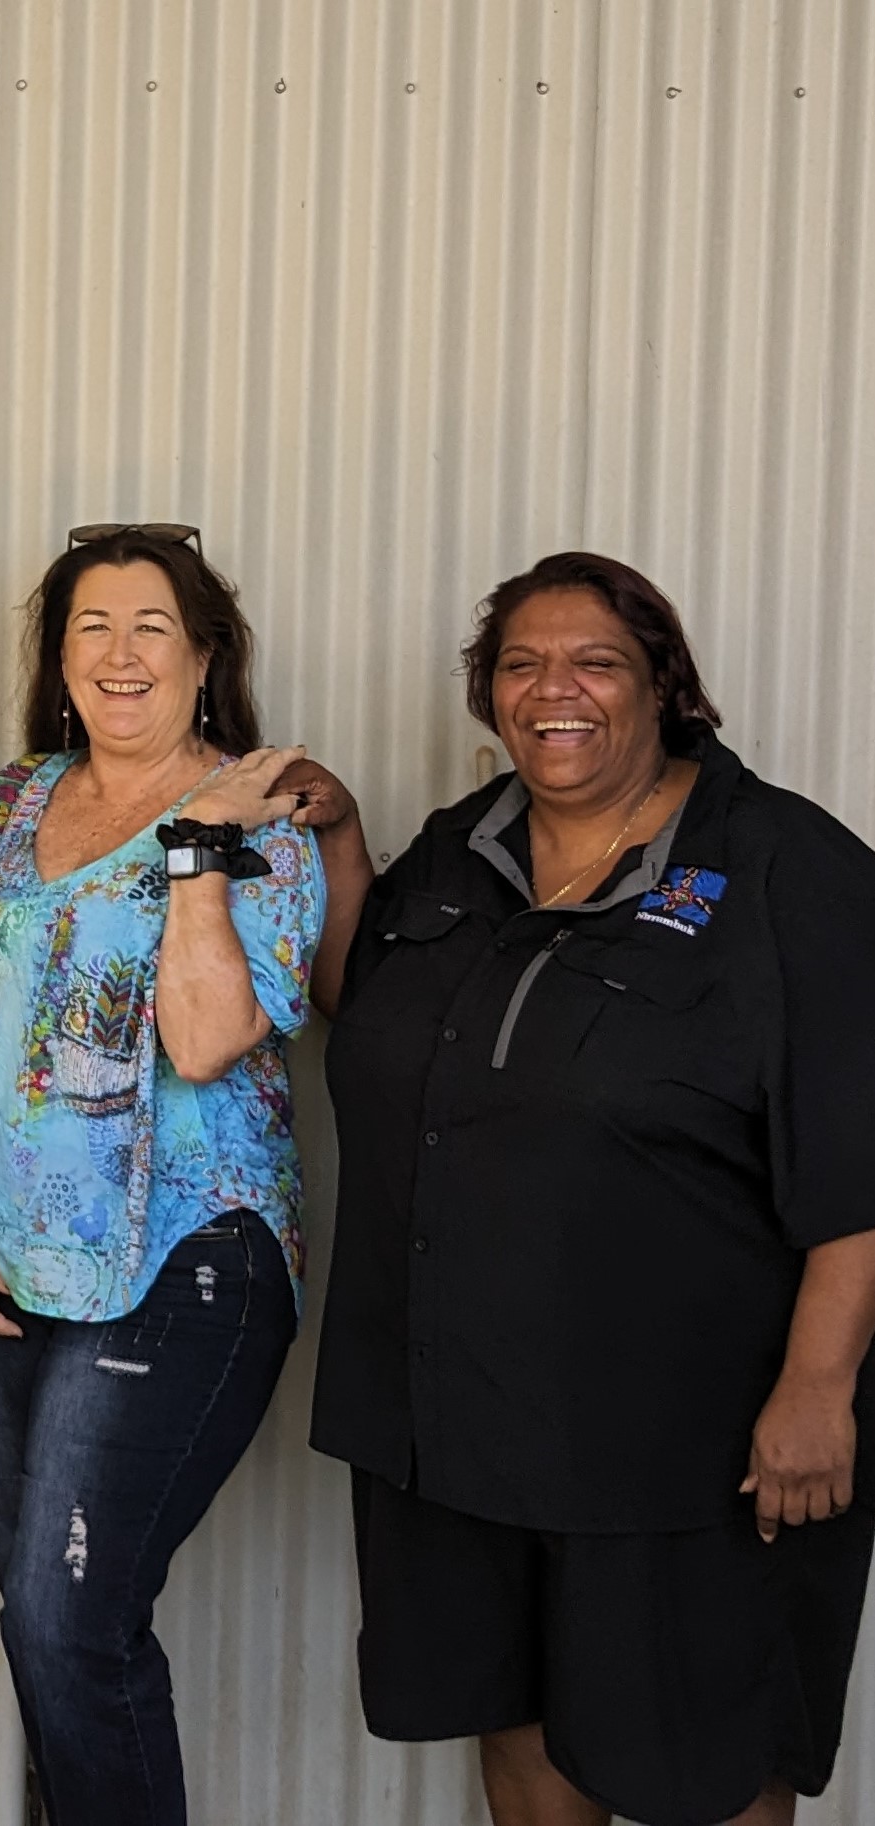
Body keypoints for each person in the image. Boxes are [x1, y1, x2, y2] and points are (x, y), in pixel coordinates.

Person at [308, 551, 875, 1826]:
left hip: (689, 1438)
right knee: (519, 1723)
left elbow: (860, 1139)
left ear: (664, 687)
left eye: (595, 662)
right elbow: (373, 1018)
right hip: (455, 1414)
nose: (553, 689)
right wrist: (345, 848)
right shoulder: (462, 849)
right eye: (521, 664)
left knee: (709, 1756)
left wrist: (819, 1385)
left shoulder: (789, 866)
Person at [0, 526, 325, 1826]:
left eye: (152, 625)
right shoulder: (14, 801)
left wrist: (195, 844)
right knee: (47, 1634)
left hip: (179, 1257)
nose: (120, 653)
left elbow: (207, 1037)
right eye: (92, 626)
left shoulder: (261, 821)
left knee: (65, 1623)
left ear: (205, 657)